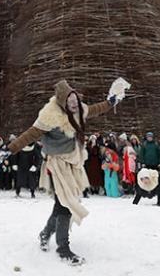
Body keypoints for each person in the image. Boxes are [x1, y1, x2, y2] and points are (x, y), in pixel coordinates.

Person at [7, 79, 119, 266]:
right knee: (65, 204)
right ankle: (63, 247)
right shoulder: (50, 117)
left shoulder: (79, 111)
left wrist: (110, 102)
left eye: (75, 99)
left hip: (72, 163)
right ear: (62, 103)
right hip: (56, 164)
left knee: (61, 204)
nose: (74, 104)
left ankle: (45, 234)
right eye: (70, 101)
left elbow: (94, 109)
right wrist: (11, 148)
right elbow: (31, 134)